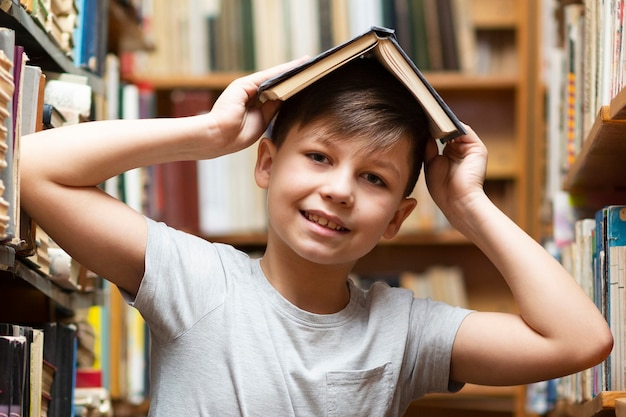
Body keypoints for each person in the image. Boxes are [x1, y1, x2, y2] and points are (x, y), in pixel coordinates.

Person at [21, 56, 612, 416]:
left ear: (397, 219)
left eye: (374, 177)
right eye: (319, 157)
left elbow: (579, 340)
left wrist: (468, 205)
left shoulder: (404, 330)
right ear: (266, 164)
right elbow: (28, 167)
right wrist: (207, 133)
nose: (340, 190)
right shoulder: (196, 278)